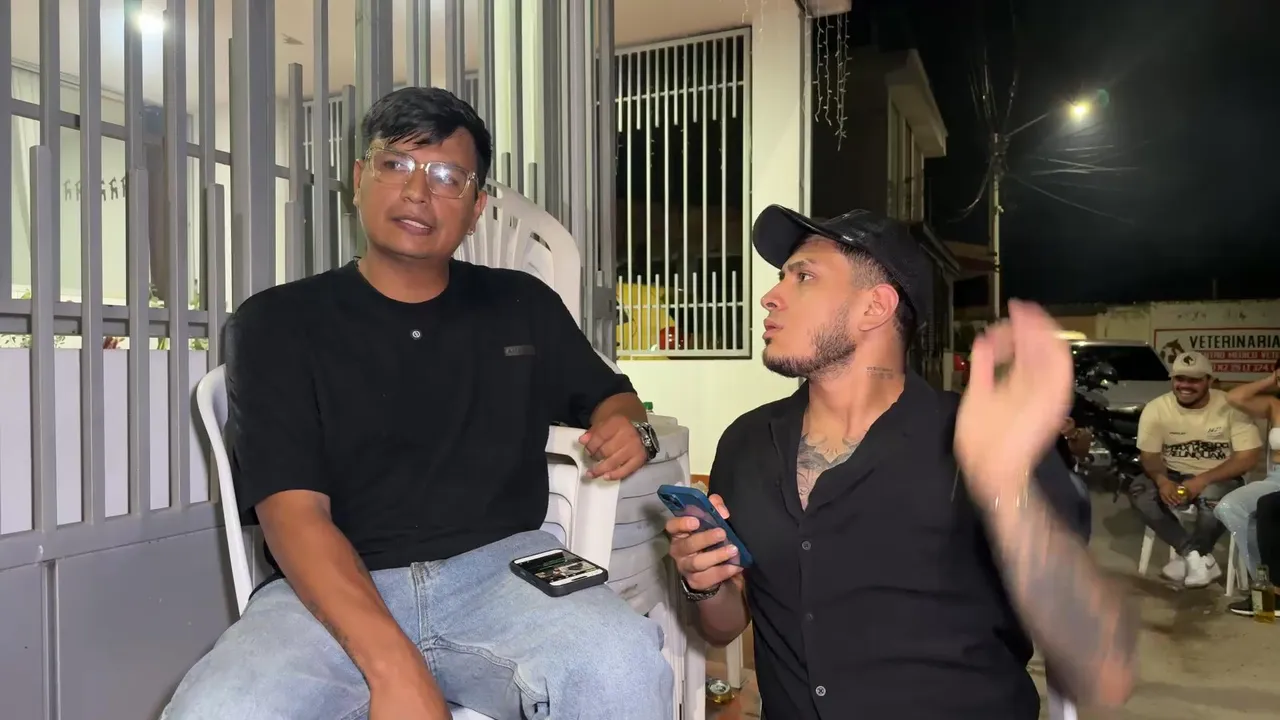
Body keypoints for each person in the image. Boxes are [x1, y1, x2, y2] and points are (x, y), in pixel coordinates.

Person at [162, 88, 671, 720]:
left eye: (447, 176)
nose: (416, 191)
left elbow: (612, 396)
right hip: (331, 588)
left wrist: (626, 424)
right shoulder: (277, 322)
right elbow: (293, 516)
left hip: (506, 569)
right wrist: (396, 670)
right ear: (359, 179)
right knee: (220, 710)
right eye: (395, 164)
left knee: (623, 666)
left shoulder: (521, 304)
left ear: (477, 207)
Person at [666, 207, 1136, 719]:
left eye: (803, 277)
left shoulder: (990, 438)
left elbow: (1102, 665)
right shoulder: (746, 443)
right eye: (782, 276)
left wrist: (1007, 491)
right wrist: (706, 582)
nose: (771, 296)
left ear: (876, 306)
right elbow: (725, 626)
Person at [1131, 351, 1263, 588]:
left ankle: (1192, 558)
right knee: (1139, 491)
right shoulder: (1156, 408)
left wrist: (1202, 480)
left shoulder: (1230, 406)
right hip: (1173, 472)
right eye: (1179, 379)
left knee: (1213, 497)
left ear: (1209, 381)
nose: (1185, 385)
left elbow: (1249, 457)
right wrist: (1162, 481)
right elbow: (1149, 455)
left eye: (1194, 380)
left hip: (1220, 475)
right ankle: (1195, 557)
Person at [1217, 359, 1280, 615]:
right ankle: (1265, 588)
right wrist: (1271, 379)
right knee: (1229, 507)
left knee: (1267, 508)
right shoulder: (1274, 405)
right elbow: (1234, 397)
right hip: (1276, 479)